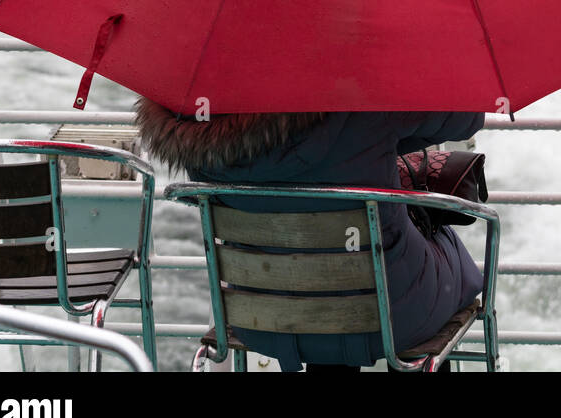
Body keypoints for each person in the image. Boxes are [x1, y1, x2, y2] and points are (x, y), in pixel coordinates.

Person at [135, 101, 485, 373]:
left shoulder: (202, 129)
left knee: (321, 276)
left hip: (260, 319)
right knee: (434, 242)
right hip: (390, 320)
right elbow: (465, 118)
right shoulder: (363, 102)